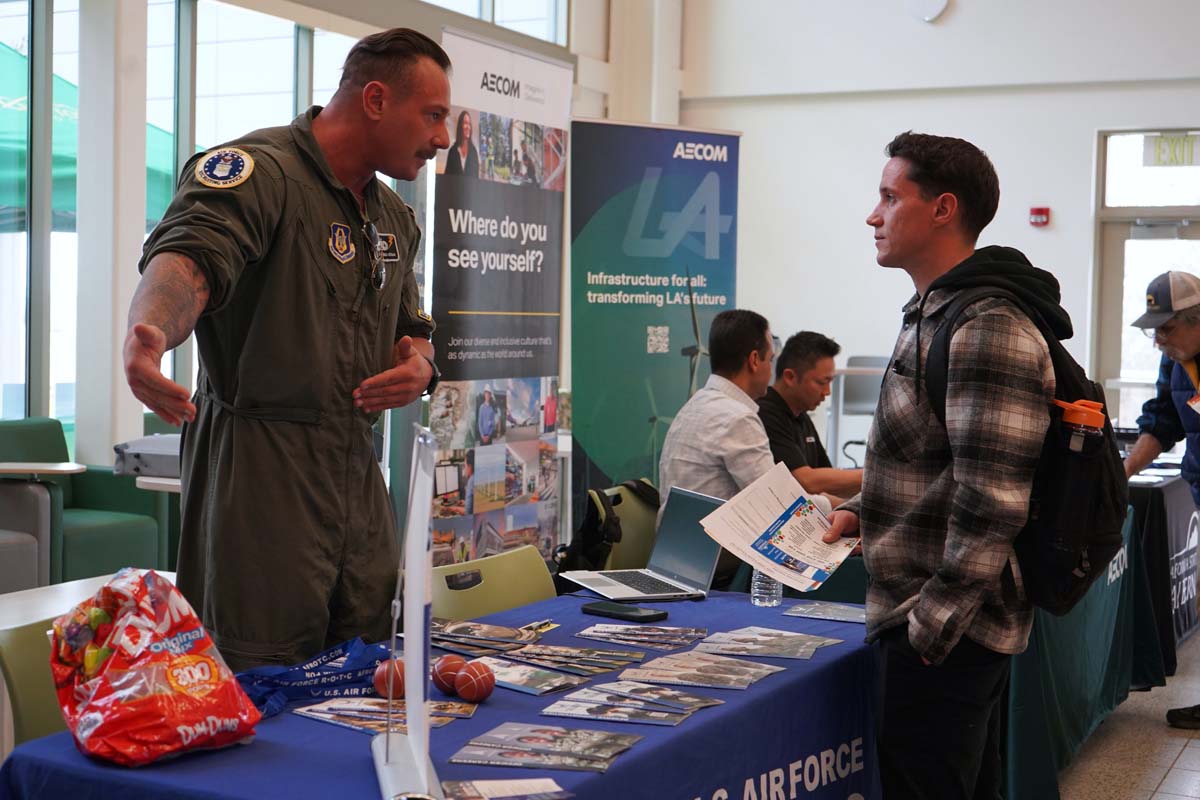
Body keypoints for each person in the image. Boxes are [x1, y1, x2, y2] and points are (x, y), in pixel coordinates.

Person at [122, 28, 451, 671]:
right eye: (433, 115)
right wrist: (151, 332)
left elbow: (408, 328)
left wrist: (420, 365)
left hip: (358, 479)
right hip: (261, 484)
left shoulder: (393, 217)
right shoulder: (256, 174)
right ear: (377, 100)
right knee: (259, 679)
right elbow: (188, 262)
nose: (442, 138)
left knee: (368, 671)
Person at [822, 132, 1065, 799]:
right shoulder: (932, 312)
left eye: (889, 196)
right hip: (924, 621)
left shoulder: (987, 323)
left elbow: (993, 499)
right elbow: (927, 462)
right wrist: (860, 511)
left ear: (943, 209)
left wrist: (930, 625)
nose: (873, 215)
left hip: (945, 632)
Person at [1122, 270, 1200, 729]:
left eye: (1166, 329)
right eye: (1154, 330)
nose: (1159, 341)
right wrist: (1123, 473)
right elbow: (1163, 422)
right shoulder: (1176, 362)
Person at [658, 309, 778, 589]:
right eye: (770, 360)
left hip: (676, 558)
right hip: (715, 570)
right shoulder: (737, 418)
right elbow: (774, 506)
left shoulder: (695, 405)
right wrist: (829, 504)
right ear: (754, 360)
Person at [757, 331, 863, 505]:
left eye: (830, 382)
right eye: (822, 382)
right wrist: (877, 477)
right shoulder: (765, 414)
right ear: (790, 377)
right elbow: (806, 481)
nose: (827, 392)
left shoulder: (801, 415)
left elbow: (827, 481)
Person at [444, 109, 479, 177]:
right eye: (465, 123)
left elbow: (476, 179)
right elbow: (447, 178)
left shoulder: (473, 152)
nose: (468, 127)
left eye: (469, 124)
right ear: (460, 126)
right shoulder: (452, 151)